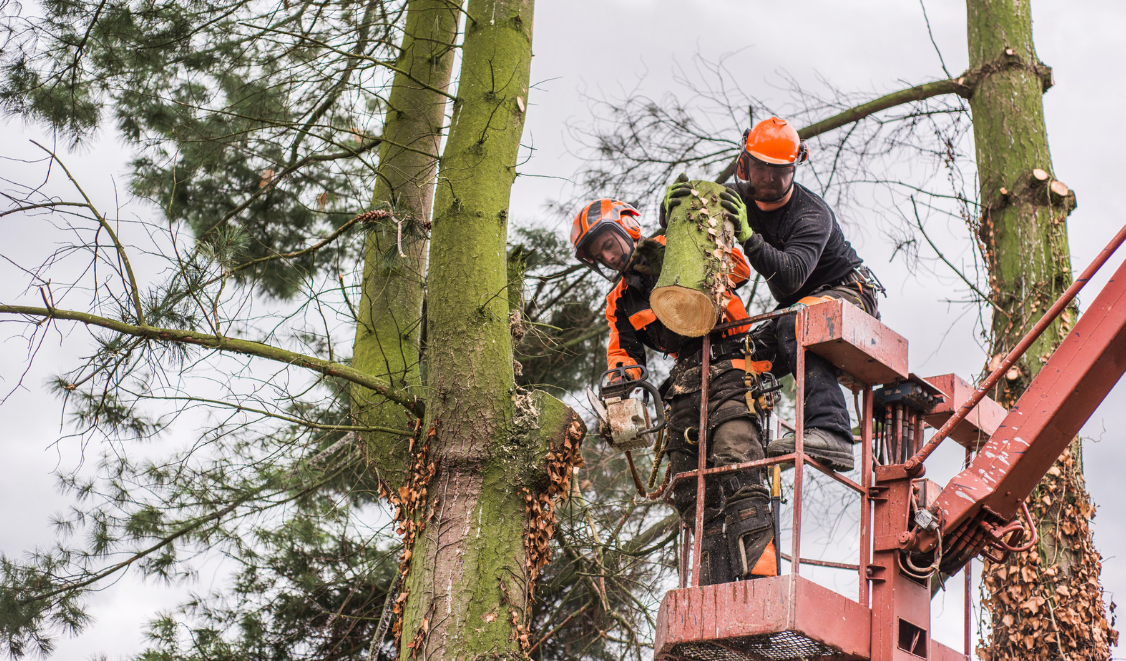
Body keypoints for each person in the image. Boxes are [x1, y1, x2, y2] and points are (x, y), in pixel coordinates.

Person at [571, 198, 777, 586]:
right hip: (683, 378)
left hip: (731, 357)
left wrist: (686, 250)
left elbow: (738, 267)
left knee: (736, 459)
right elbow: (624, 355)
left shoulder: (675, 242)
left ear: (629, 228)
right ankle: (713, 585)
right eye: (601, 255)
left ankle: (760, 578)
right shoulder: (619, 301)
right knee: (687, 486)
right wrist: (618, 388)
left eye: (610, 244)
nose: (610, 256)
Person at [664, 117, 883, 472]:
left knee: (795, 323)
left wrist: (749, 237)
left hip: (849, 292)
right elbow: (695, 226)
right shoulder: (735, 198)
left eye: (778, 171)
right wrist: (672, 212)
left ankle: (832, 432)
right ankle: (736, 451)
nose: (767, 177)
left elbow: (789, 281)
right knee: (733, 353)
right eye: (760, 167)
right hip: (797, 308)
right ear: (744, 163)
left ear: (795, 168)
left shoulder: (811, 214)